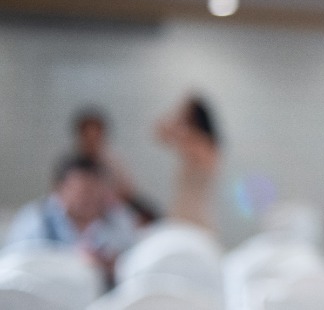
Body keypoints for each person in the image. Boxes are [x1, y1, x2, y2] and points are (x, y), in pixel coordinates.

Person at [4, 155, 138, 282]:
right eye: (82, 191)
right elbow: (16, 268)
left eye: (95, 191)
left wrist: (112, 265)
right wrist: (73, 261)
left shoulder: (116, 217)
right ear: (59, 189)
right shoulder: (36, 219)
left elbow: (134, 261)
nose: (90, 198)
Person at [73, 108, 160, 226]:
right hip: (97, 210)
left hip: (118, 206)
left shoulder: (110, 160)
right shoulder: (72, 166)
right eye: (89, 137)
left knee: (152, 216)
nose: (93, 141)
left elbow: (128, 190)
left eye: (97, 136)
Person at [155, 95, 220, 231]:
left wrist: (178, 115)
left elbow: (161, 131)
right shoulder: (207, 143)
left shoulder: (198, 142)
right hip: (184, 211)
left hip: (194, 215)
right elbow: (160, 132)